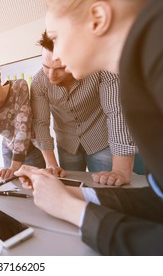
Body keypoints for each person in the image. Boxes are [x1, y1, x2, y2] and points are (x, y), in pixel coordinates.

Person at [15, 0, 163, 255]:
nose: (57, 55)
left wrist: (70, 209)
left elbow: (115, 114)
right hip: (68, 140)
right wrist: (71, 196)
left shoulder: (157, 45)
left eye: (57, 37)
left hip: (98, 138)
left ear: (98, 18)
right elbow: (160, 201)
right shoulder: (143, 60)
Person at [31, 31, 143, 186]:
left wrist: (120, 171)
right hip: (67, 145)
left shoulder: (101, 69)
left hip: (101, 142)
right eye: (46, 67)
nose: (51, 76)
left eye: (60, 68)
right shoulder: (38, 83)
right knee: (70, 188)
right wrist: (51, 164)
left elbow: (117, 113)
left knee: (107, 189)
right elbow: (40, 123)